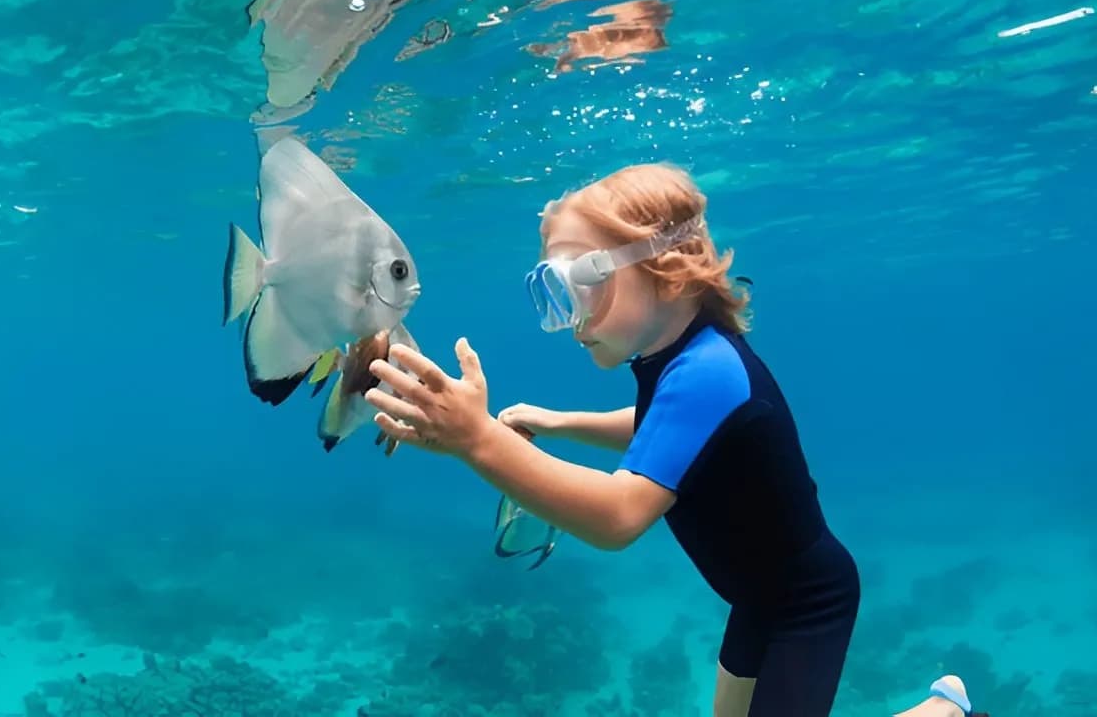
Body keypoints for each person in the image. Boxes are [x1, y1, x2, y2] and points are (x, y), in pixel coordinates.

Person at [362, 163, 864, 716]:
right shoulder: (681, 362)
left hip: (806, 605)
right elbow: (668, 432)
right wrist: (559, 421)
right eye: (555, 291)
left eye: (585, 284)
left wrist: (476, 439)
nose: (571, 319)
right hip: (759, 596)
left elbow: (618, 517)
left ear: (667, 268)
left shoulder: (707, 372)